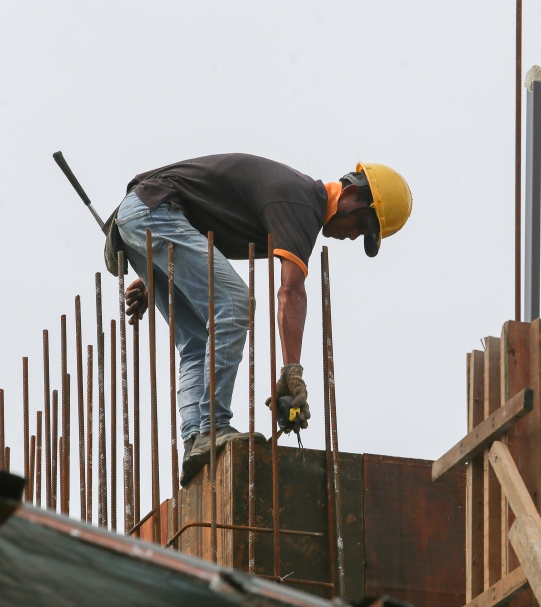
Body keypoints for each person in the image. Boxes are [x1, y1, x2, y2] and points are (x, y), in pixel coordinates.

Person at [112, 154, 412, 485]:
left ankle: (195, 440)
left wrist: (157, 273)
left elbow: (201, 223)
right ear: (354, 194)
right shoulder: (302, 202)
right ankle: (212, 427)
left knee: (196, 340)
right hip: (154, 212)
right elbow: (291, 291)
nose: (355, 236)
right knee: (234, 303)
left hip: (147, 217)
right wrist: (292, 371)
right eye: (363, 224)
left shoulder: (294, 201)